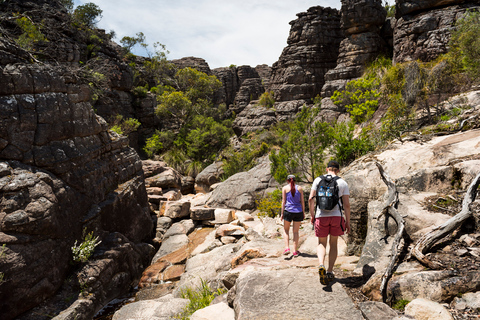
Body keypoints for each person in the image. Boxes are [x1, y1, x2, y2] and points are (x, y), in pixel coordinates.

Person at [308, 160, 351, 285]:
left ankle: (321, 264)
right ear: (338, 170)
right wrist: (347, 221)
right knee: (333, 243)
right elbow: (346, 205)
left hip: (321, 216)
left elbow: (311, 199)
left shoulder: (317, 180)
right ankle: (330, 271)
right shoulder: (342, 182)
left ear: (327, 169)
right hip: (336, 216)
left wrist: (312, 215)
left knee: (321, 243)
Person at [281, 174, 305, 257]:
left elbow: (283, 202)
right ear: (295, 180)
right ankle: (295, 251)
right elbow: (302, 201)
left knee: (286, 230)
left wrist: (281, 213)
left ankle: (287, 248)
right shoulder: (300, 188)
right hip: (298, 211)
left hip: (288, 211)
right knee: (295, 231)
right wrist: (303, 212)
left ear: (287, 180)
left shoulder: (284, 188)